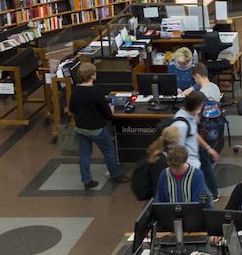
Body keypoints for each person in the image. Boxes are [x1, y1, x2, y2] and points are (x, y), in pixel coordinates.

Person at [68, 61, 127, 189]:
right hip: (96, 128)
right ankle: (116, 174)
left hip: (80, 127)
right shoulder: (96, 91)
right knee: (109, 150)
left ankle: (87, 180)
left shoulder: (75, 91)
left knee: (84, 154)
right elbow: (107, 113)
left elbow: (72, 108)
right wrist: (111, 109)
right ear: (93, 76)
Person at [171, 90, 220, 201]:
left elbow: (193, 133)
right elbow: (177, 153)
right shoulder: (180, 126)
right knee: (203, 201)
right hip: (189, 173)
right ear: (197, 106)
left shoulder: (189, 115)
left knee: (204, 200)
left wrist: (208, 149)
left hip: (195, 169)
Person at [132, 125, 182, 201]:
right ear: (173, 143)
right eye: (178, 141)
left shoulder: (160, 153)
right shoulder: (161, 161)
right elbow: (158, 186)